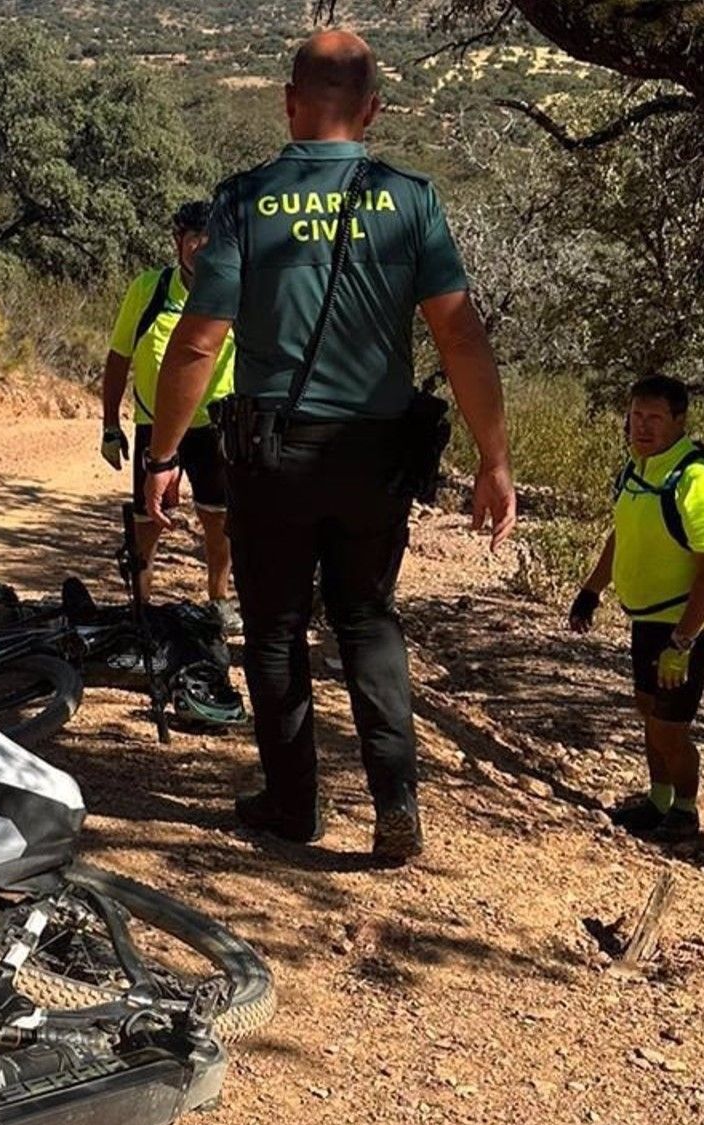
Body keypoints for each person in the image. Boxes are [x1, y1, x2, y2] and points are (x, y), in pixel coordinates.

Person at [140, 30, 516, 863]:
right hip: (376, 457)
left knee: (275, 629)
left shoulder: (246, 199)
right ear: (373, 109)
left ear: (289, 103)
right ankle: (395, 805)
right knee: (367, 620)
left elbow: (199, 343)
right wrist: (494, 460)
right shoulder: (410, 200)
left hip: (273, 454)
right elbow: (460, 337)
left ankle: (292, 803)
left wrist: (164, 455)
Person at [569, 374, 704, 840]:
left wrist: (682, 643)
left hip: (688, 621)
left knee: (669, 727)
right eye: (636, 416)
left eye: (655, 418)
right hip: (646, 616)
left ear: (679, 421)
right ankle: (658, 800)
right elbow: (624, 534)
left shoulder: (697, 480)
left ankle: (685, 811)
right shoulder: (636, 469)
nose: (642, 427)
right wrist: (591, 590)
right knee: (649, 710)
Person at [100, 200, 241, 632]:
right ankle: (140, 608)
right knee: (147, 523)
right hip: (156, 427)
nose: (201, 248)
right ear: (178, 243)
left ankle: (218, 599)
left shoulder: (236, 291)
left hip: (215, 428)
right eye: (193, 239)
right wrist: (110, 425)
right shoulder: (149, 289)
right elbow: (119, 357)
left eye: (210, 240)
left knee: (219, 521)